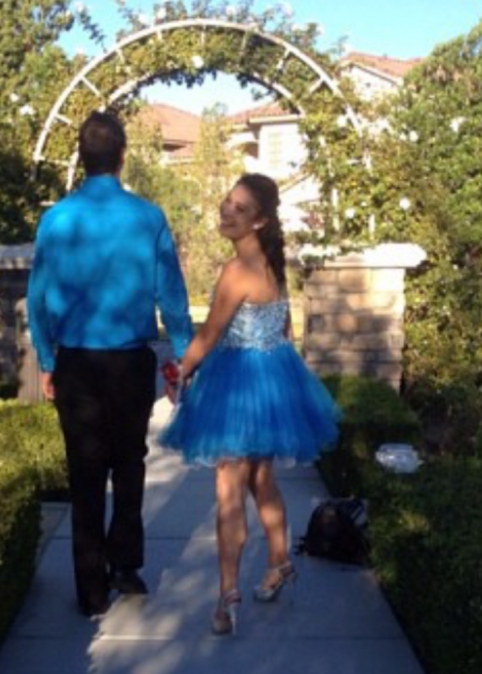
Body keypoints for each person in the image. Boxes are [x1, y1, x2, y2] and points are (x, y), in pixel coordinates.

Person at [27, 110, 192, 618]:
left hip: (76, 362)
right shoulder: (148, 217)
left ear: (82, 158)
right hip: (128, 364)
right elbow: (171, 293)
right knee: (128, 464)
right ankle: (126, 566)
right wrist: (182, 353)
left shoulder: (56, 219)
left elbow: (38, 298)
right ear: (121, 157)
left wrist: (47, 358)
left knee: (84, 473)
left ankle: (90, 589)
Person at [158, 173, 339, 635]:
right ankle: (279, 562)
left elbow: (208, 335)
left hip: (239, 386)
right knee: (261, 480)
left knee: (228, 494)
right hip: (272, 381)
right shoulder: (272, 263)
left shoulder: (236, 270)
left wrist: (182, 371)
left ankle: (227, 595)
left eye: (239, 208)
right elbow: (285, 331)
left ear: (258, 220)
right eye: (226, 202)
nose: (226, 211)